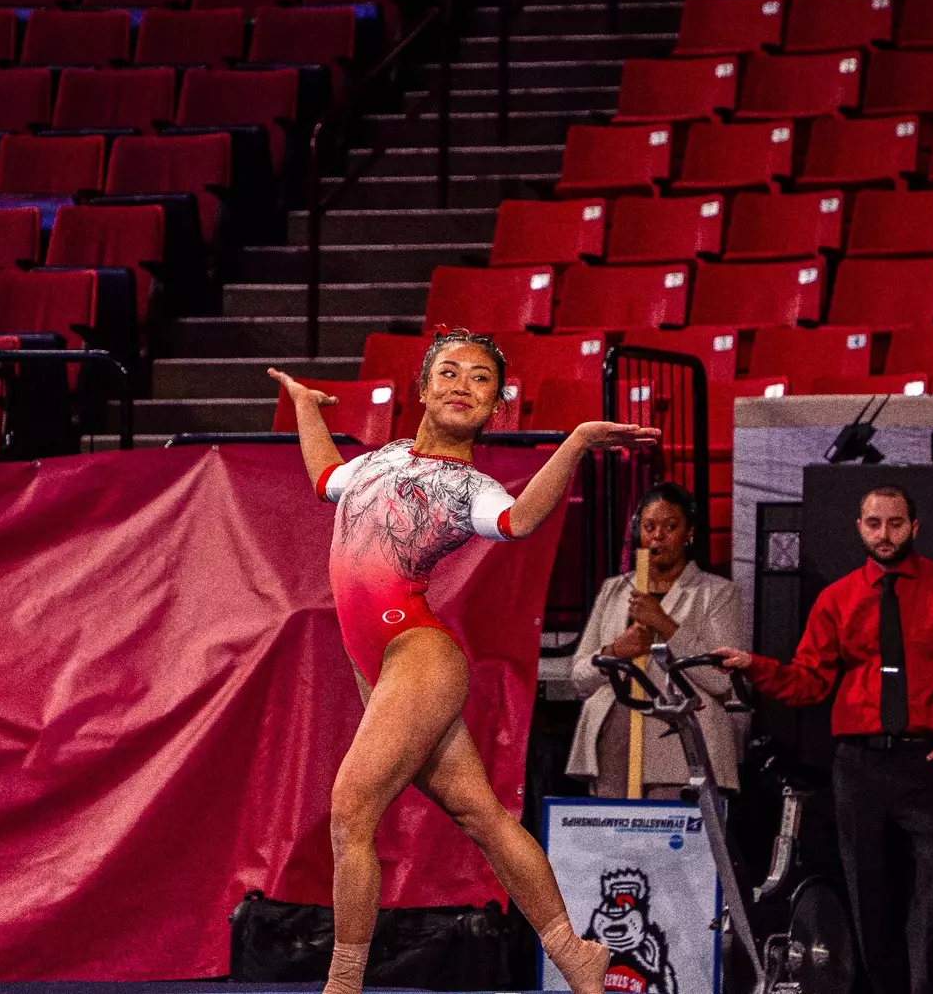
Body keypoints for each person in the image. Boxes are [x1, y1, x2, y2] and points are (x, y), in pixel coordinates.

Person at [269, 328, 661, 994]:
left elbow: (520, 521)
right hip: (382, 669)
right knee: (480, 815)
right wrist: (307, 406)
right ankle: (574, 952)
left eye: (481, 380)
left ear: (493, 410)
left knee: (351, 808)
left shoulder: (466, 487)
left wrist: (574, 443)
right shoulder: (376, 461)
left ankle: (343, 983)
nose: (463, 385)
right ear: (422, 389)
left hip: (416, 652)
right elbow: (323, 476)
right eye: (449, 372)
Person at [712, 485, 933, 994]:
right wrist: (756, 667)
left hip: (932, 764)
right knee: (870, 906)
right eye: (875, 524)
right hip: (860, 768)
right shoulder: (837, 599)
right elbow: (808, 681)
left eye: (896, 523)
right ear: (860, 527)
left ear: (914, 527)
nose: (886, 535)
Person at [567, 482, 745, 798]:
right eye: (649, 527)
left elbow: (721, 681)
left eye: (670, 526)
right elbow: (579, 678)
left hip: (680, 748)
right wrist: (613, 651)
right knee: (611, 843)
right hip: (613, 744)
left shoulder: (716, 593)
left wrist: (663, 624)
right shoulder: (615, 590)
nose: (658, 536)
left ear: (689, 532)